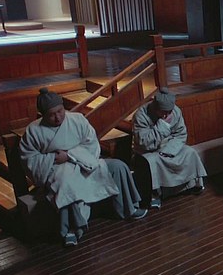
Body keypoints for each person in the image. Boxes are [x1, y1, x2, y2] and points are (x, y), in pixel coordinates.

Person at [20, 88, 146, 247]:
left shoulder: (77, 120)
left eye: (60, 111)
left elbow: (92, 144)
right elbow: (30, 160)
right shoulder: (33, 131)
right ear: (43, 115)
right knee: (66, 185)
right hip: (58, 169)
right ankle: (71, 229)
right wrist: (53, 158)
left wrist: (70, 155)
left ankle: (128, 208)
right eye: (51, 115)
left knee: (118, 167)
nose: (57, 117)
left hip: (84, 163)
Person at [132, 87, 207, 209]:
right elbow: (144, 142)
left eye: (169, 112)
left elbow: (181, 134)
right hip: (149, 150)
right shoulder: (141, 115)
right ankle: (155, 194)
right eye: (163, 112)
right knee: (152, 162)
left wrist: (169, 150)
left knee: (190, 152)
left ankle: (191, 184)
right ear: (155, 108)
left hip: (170, 146)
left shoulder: (176, 111)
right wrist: (162, 125)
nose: (166, 115)